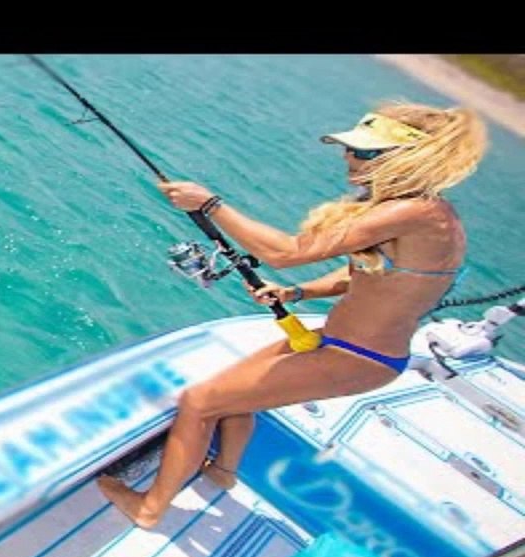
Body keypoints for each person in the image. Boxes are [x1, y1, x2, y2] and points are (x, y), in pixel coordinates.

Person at [97, 102, 489, 529]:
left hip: (358, 357)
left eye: (362, 151)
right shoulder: (423, 212)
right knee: (232, 392)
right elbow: (362, 271)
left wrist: (210, 204)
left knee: (199, 402)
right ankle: (223, 472)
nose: (348, 157)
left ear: (400, 157)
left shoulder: (415, 213)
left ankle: (150, 510)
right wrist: (298, 292)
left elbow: (286, 253)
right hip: (336, 342)